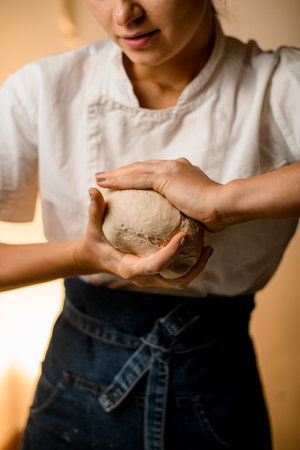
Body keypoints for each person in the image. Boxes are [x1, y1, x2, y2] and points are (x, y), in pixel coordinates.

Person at [0, 0, 299, 448]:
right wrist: (83, 255)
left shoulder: (281, 84)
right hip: (74, 385)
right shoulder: (43, 87)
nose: (124, 14)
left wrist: (225, 201)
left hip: (218, 389)